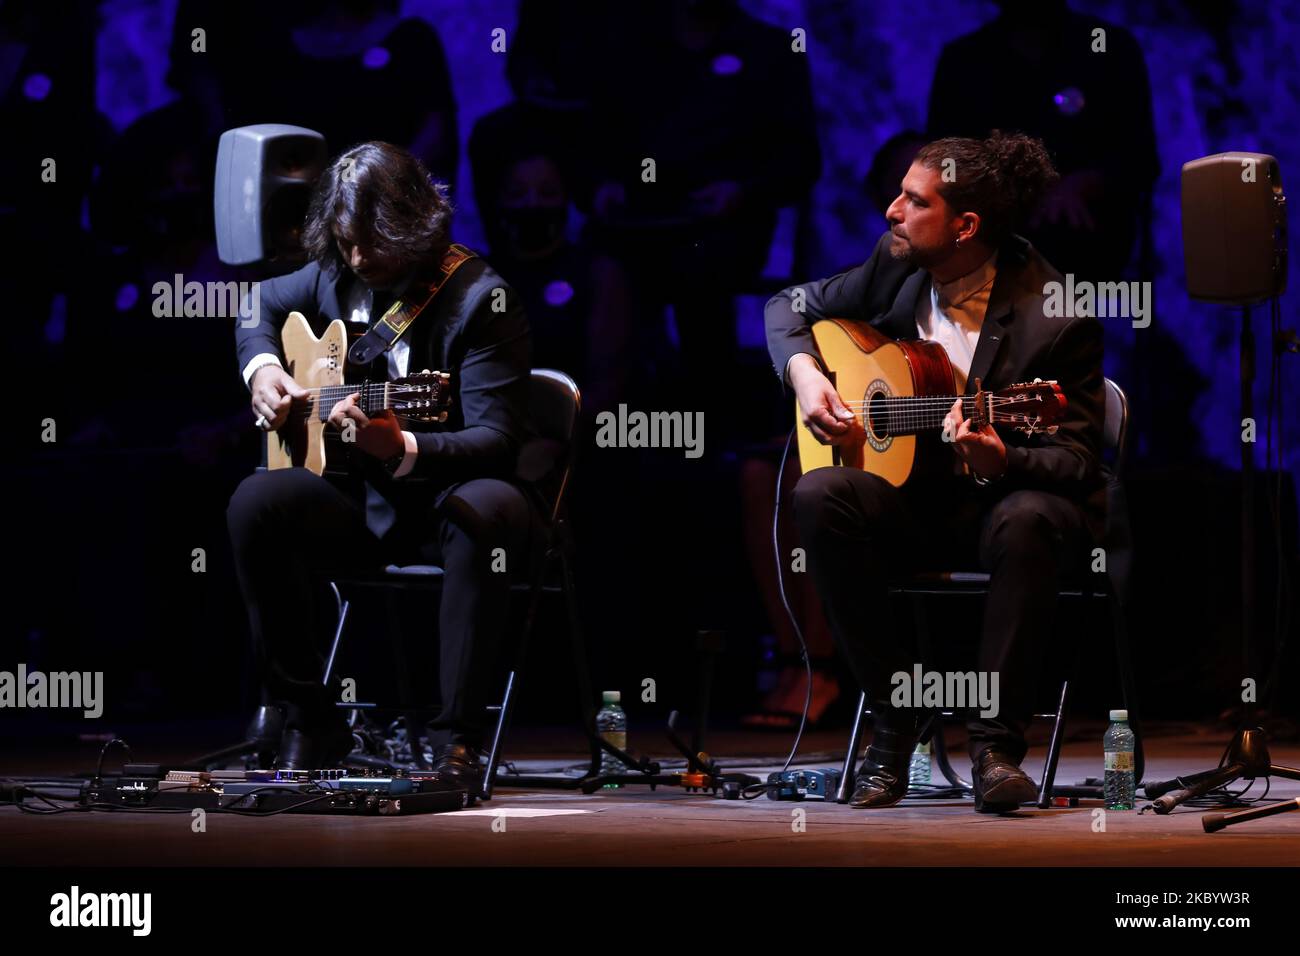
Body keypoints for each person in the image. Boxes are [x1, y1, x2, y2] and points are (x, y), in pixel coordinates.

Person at [764, 132, 1106, 811]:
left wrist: (1002, 456)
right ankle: (894, 723)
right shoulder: (896, 262)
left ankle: (995, 748)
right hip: (911, 505)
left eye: (913, 200)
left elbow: (1079, 458)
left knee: (1030, 517)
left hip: (1002, 512)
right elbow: (785, 308)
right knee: (820, 491)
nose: (892, 210)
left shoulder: (1057, 314)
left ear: (965, 226)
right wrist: (805, 375)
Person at [227, 142, 539, 792]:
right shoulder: (335, 272)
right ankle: (310, 716)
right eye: (346, 243)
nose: (360, 259)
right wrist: (261, 370)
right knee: (257, 502)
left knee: (487, 506)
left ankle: (456, 741)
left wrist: (402, 449)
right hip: (360, 508)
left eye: (372, 243)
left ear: (414, 226)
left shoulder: (481, 300)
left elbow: (498, 439)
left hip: (446, 504)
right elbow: (255, 305)